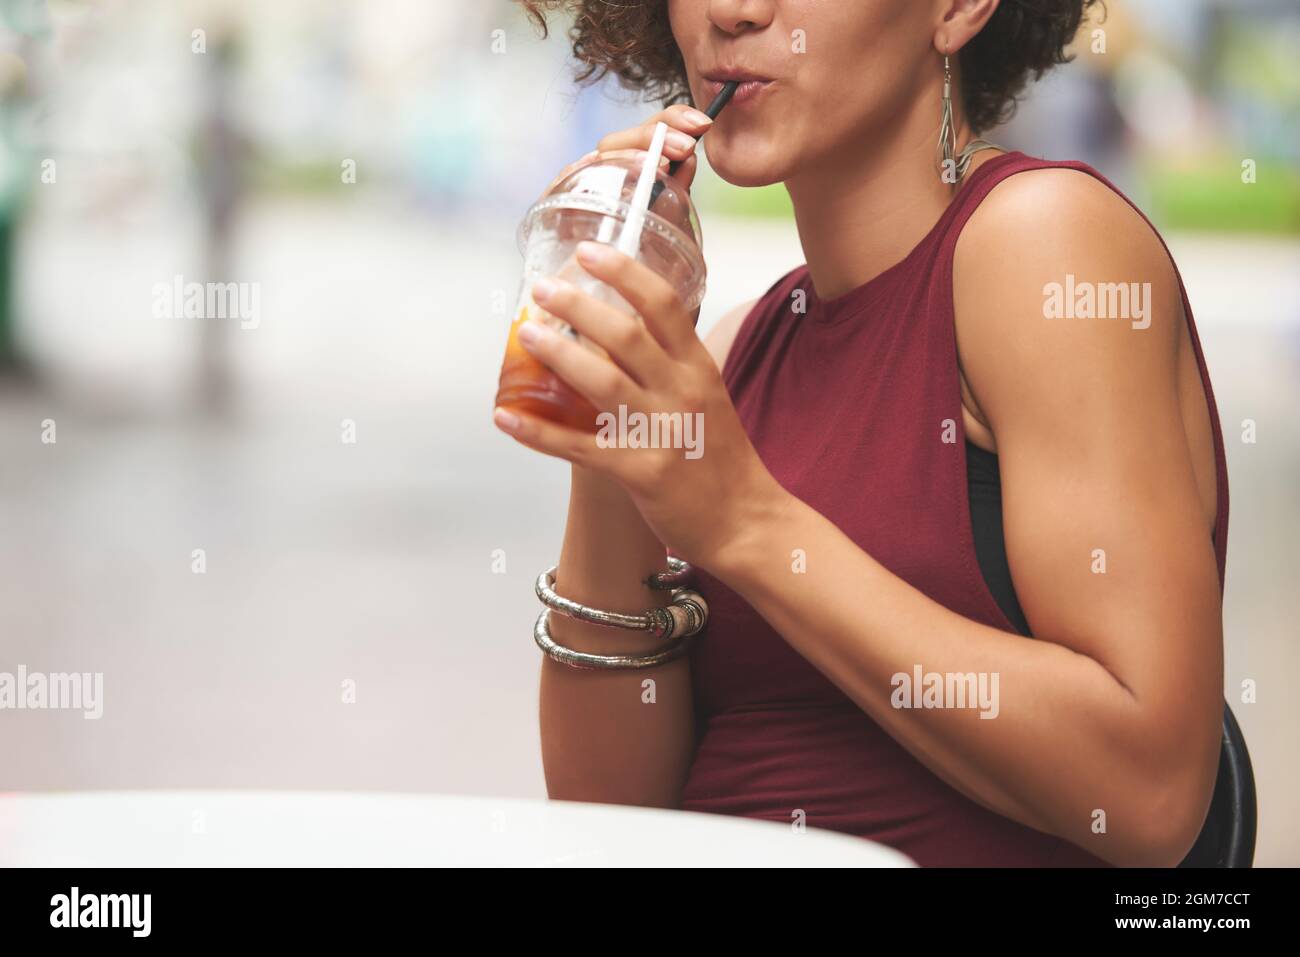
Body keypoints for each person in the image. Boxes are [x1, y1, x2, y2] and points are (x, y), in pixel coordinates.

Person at [494, 0, 1228, 867]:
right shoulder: (730, 353)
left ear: (955, 10)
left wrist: (747, 526)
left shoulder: (1043, 247)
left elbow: (1151, 795)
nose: (732, 13)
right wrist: (610, 399)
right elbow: (611, 826)